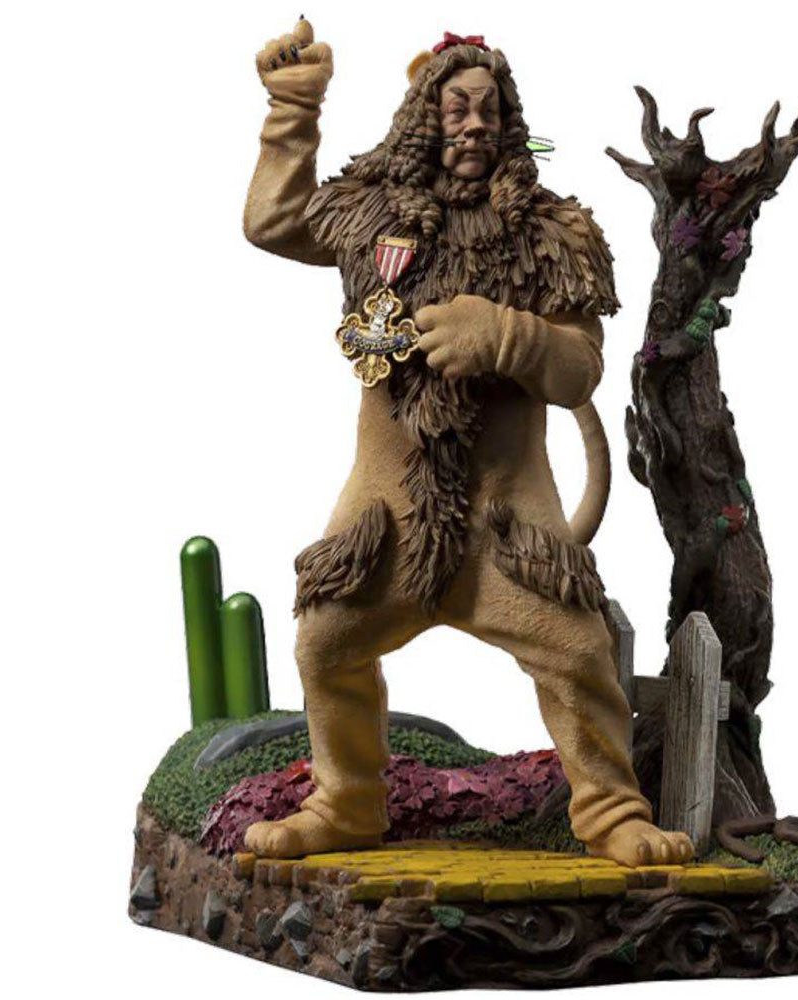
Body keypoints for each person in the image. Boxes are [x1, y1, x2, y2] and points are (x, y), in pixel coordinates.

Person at [241, 19, 694, 868]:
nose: (474, 126)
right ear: (426, 117)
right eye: (457, 109)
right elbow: (272, 220)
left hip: (503, 515)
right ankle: (345, 802)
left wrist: (507, 336)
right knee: (325, 642)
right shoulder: (370, 214)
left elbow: (580, 370)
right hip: (390, 513)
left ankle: (611, 812)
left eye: (489, 110)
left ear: (511, 121)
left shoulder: (553, 233)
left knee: (579, 653)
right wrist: (291, 111)